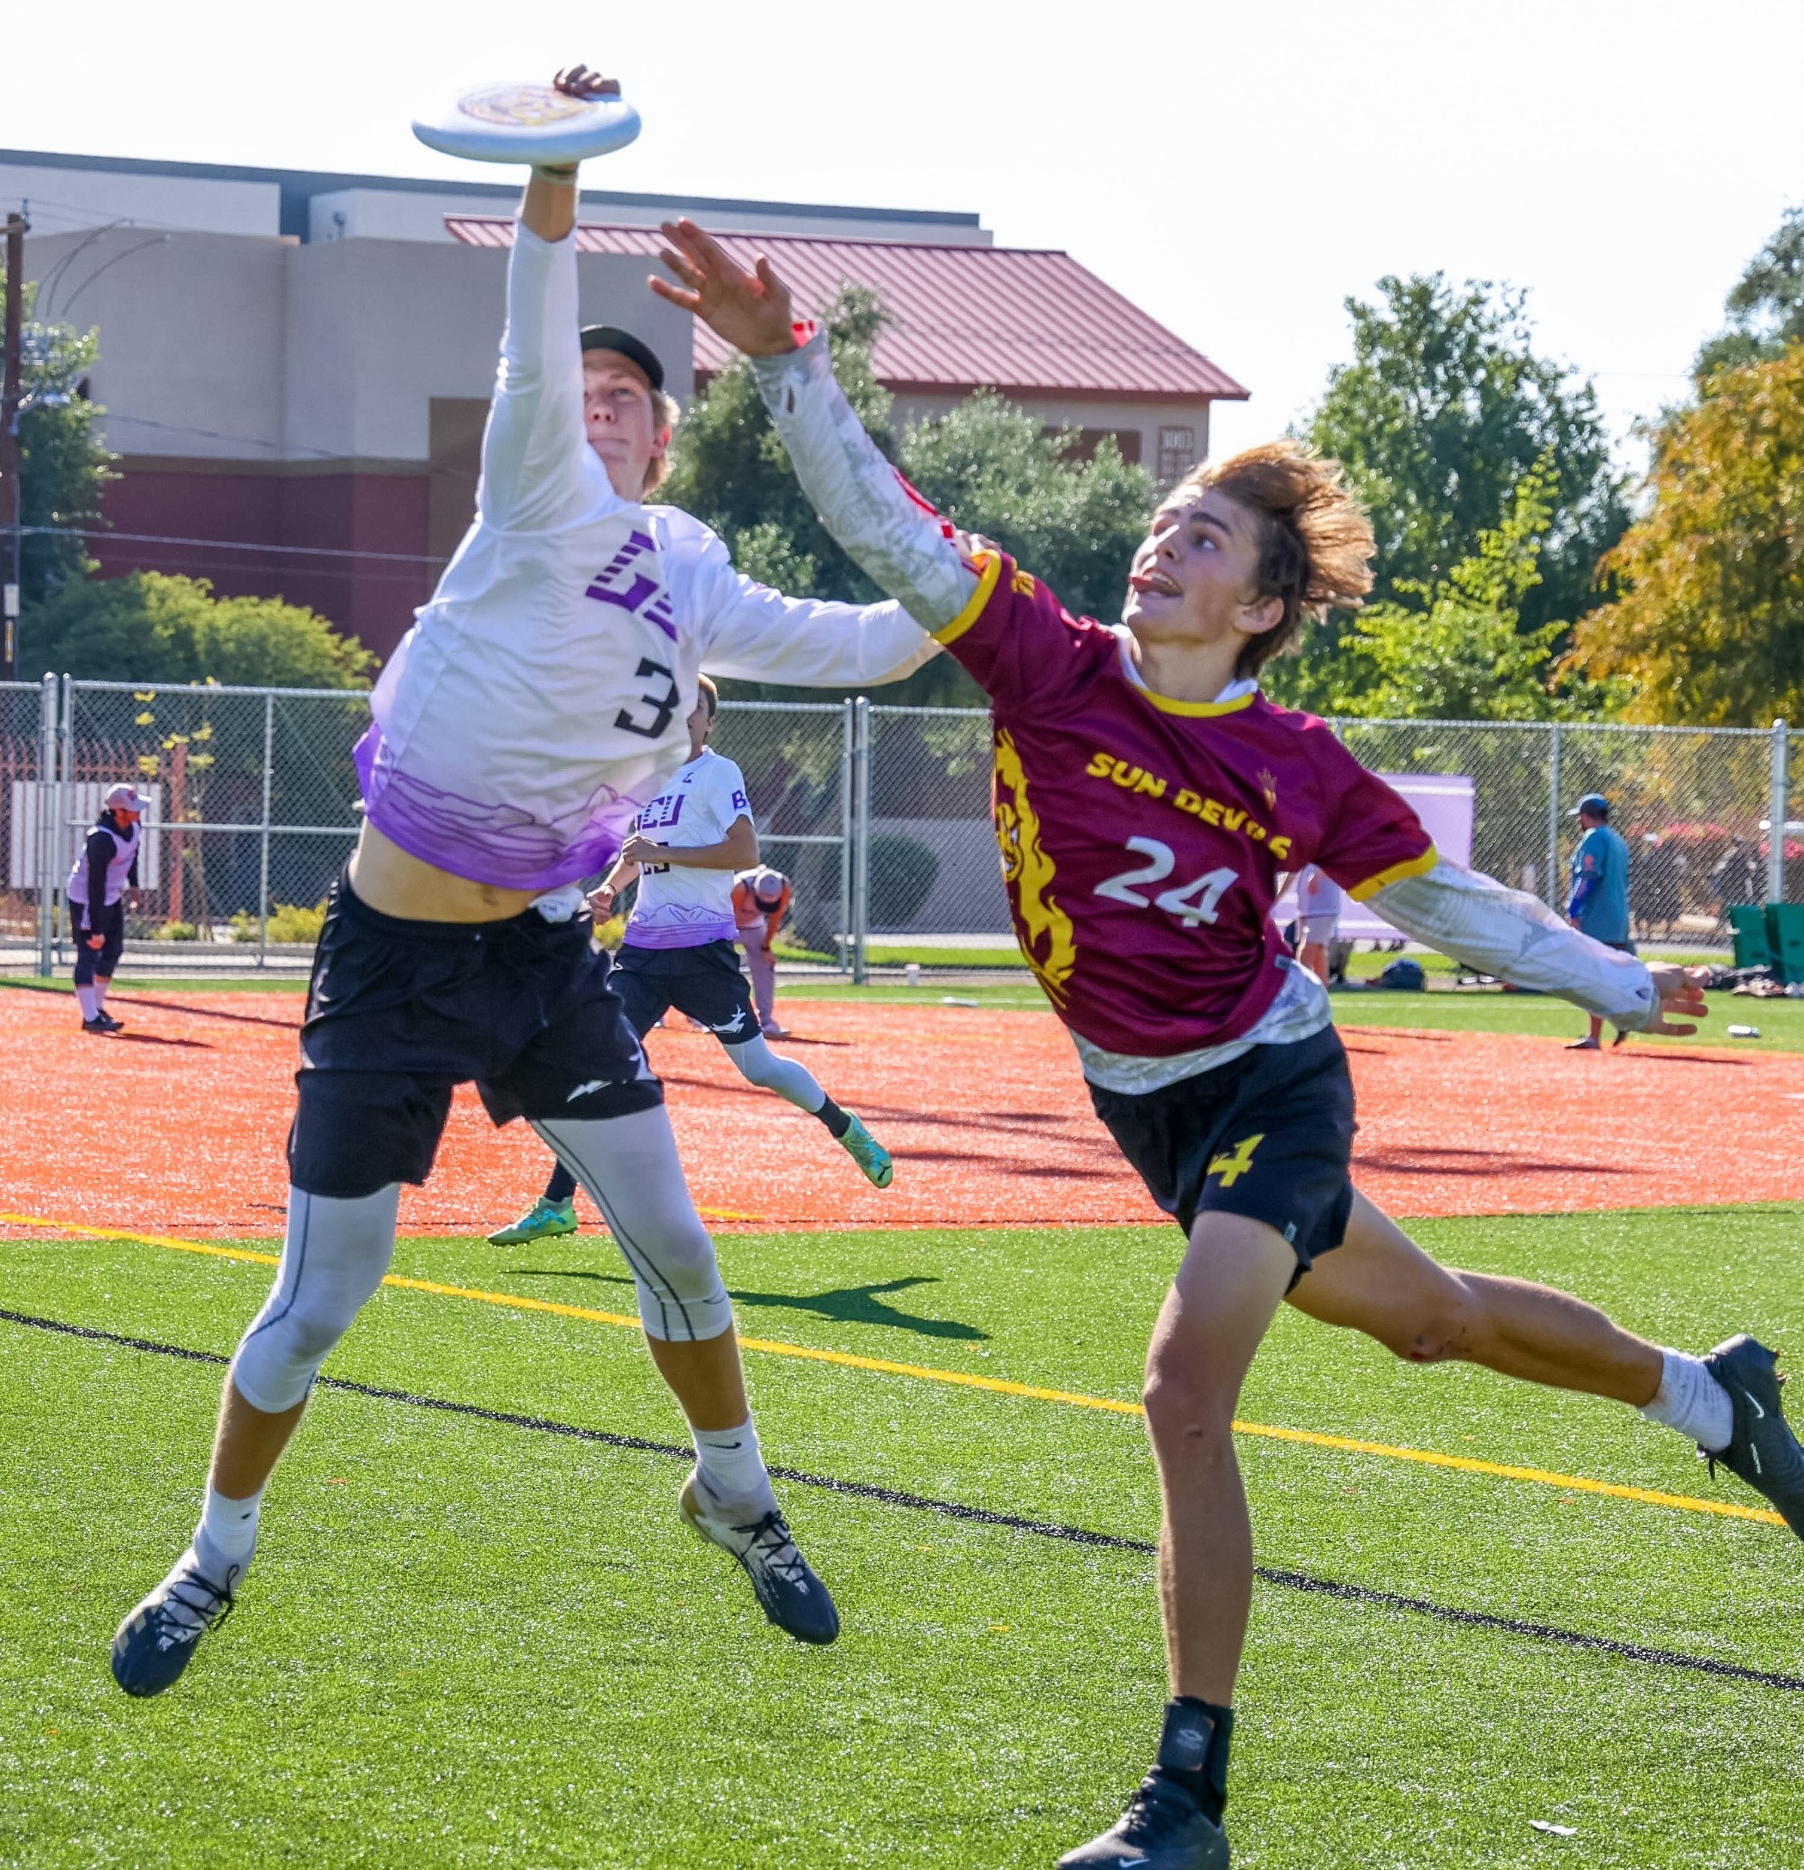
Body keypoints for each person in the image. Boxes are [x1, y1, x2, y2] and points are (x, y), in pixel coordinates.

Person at [651, 221, 1804, 1870]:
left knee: (1182, 1384)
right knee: (1436, 1323)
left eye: (1199, 537)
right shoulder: (1038, 656)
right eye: (1162, 521)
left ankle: (1183, 1797)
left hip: (1271, 1081)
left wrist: (1615, 984)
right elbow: (880, 522)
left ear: (1259, 603)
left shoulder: (1295, 760)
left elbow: (1450, 904)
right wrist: (785, 359)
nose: (1159, 542)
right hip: (1146, 1113)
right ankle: (1714, 1401)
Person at [107, 70, 940, 1699]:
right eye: (581, 383)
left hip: (548, 960)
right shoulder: (529, 487)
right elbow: (530, 308)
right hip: (393, 960)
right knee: (317, 1305)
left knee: (679, 1254)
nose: (597, 398)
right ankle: (213, 1554)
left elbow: (867, 645)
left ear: (667, 427)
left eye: (628, 390)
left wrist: (963, 588)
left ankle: (741, 1496)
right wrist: (553, 173)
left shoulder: (691, 573)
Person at [488, 675, 890, 1245]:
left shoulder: (718, 772)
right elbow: (639, 855)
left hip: (702, 953)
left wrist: (661, 853)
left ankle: (843, 1127)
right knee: (596, 1064)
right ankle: (557, 1204)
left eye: (693, 709)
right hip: (644, 952)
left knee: (759, 1068)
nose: (680, 717)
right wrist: (608, 890)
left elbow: (744, 852)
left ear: (708, 721)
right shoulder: (648, 780)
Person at [66, 784, 147, 1033]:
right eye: (132, 808)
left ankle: (97, 1009)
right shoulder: (100, 838)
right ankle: (89, 1017)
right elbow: (95, 884)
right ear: (118, 811)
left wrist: (133, 885)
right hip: (87, 899)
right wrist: (97, 927)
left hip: (110, 896)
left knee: (113, 951)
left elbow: (132, 855)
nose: (138, 812)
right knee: (90, 952)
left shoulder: (133, 827)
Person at [1565, 792, 1633, 1051]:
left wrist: (1574, 909)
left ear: (1585, 816)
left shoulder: (1593, 838)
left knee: (1593, 977)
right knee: (1609, 975)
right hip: (1617, 918)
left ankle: (1595, 1036)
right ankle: (1618, 1020)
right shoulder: (1617, 839)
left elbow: (1588, 877)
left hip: (1597, 919)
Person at [732, 863, 793, 1037]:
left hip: (754, 928)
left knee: (765, 966)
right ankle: (710, 1019)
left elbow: (775, 918)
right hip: (727, 927)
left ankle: (766, 1021)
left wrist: (766, 947)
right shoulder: (740, 887)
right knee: (713, 967)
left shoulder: (784, 887)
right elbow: (724, 918)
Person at [1287, 862, 1340, 986]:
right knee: (1318, 953)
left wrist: (1318, 874)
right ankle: (1322, 998)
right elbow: (1293, 870)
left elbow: (1334, 856)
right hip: (1305, 906)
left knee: (1307, 950)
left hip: (1325, 905)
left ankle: (1301, 991)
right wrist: (1278, 895)